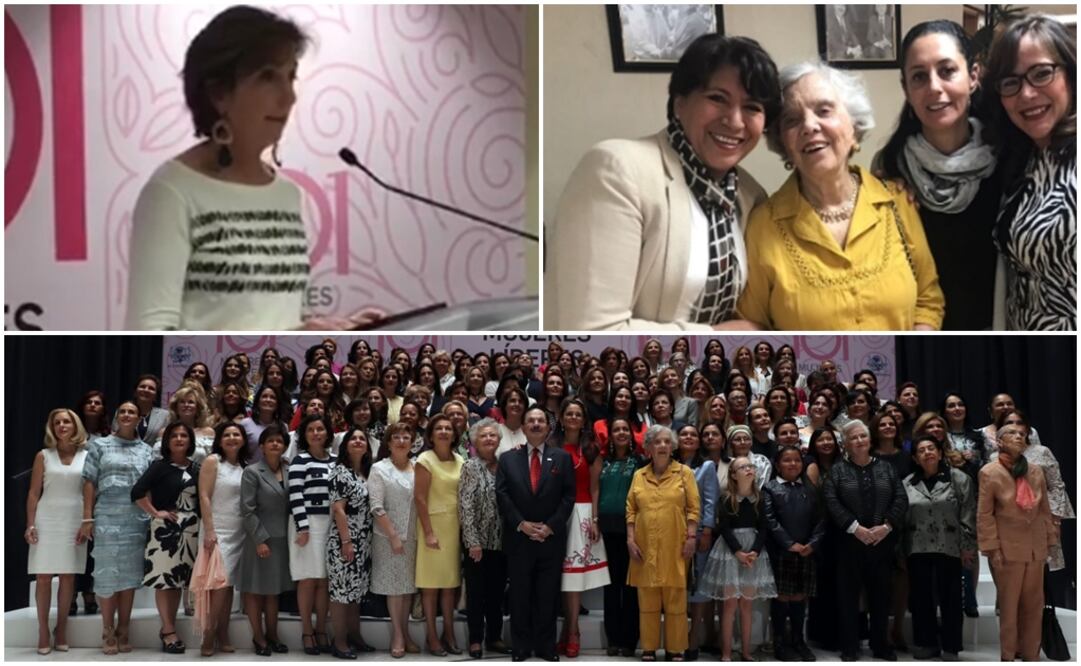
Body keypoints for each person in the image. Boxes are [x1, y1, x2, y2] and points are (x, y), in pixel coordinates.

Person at [125, 5, 382, 330]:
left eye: (291, 76)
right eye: (267, 77)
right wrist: (284, 344)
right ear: (219, 93)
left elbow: (276, 321)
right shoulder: (172, 192)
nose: (288, 97)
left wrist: (326, 329)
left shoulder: (286, 194)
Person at [546, 34, 780, 330]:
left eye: (752, 107)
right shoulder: (617, 171)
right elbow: (593, 333)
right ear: (680, 103)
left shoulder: (749, 195)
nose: (735, 121)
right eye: (717, 98)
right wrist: (717, 337)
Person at [739, 61, 945, 330]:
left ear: (854, 127)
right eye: (792, 119)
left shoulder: (897, 202)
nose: (809, 126)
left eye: (824, 110)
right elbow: (752, 326)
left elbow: (928, 299)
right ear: (784, 144)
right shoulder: (763, 225)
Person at [874, 20, 1000, 330]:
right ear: (906, 88)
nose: (934, 87)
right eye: (919, 76)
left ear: (973, 76)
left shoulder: (1008, 157)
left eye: (947, 71)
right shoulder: (888, 171)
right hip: (922, 334)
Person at [984, 15, 1076, 330]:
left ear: (1071, 75)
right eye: (1011, 82)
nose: (1026, 94)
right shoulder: (1020, 160)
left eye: (1041, 73)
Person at [495, 405, 576, 661]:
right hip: (519, 538)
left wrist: (550, 526)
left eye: (541, 420)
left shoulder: (561, 458)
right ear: (524, 427)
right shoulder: (508, 458)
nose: (536, 424)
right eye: (531, 421)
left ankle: (545, 647)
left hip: (550, 539)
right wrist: (521, 523)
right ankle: (521, 646)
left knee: (547, 596)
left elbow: (568, 496)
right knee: (519, 596)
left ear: (548, 427)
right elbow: (502, 494)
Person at [823, 420, 908, 661]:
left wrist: (886, 526)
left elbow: (900, 498)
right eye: (853, 438)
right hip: (848, 544)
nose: (859, 441)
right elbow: (832, 501)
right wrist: (856, 528)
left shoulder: (887, 468)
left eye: (863, 436)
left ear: (870, 440)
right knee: (848, 597)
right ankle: (850, 646)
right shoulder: (838, 470)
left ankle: (880, 644)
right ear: (846, 444)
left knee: (881, 597)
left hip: (882, 544)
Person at [79, 401, 154, 654]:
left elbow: (149, 488)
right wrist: (87, 518)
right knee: (107, 573)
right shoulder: (99, 444)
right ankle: (107, 628)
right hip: (107, 517)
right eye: (122, 411)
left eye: (132, 412)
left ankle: (124, 628)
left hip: (136, 518)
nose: (126, 415)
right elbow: (89, 481)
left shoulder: (147, 450)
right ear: (116, 417)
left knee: (129, 577)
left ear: (139, 418)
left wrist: (152, 516)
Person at [977, 424, 1057, 661]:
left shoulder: (1034, 471)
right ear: (999, 442)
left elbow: (1044, 510)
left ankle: (1031, 654)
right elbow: (985, 514)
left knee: (1034, 605)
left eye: (1022, 434)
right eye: (1012, 434)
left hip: (1035, 547)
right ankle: (1008, 655)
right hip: (1007, 548)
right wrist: (991, 548)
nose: (1019, 437)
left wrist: (1050, 540)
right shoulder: (990, 472)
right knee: (1009, 607)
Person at [626, 425, 701, 661]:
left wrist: (691, 537)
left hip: (675, 545)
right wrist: (630, 539)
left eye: (667, 442)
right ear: (648, 447)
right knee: (647, 598)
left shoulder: (684, 473)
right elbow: (631, 509)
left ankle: (675, 648)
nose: (662, 446)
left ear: (673, 447)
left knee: (675, 600)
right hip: (644, 545)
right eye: (657, 442)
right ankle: (648, 647)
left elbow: (694, 508)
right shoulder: (639, 475)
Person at [902, 436, 976, 661]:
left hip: (950, 546)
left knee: (951, 598)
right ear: (915, 457)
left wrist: (967, 547)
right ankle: (926, 643)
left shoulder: (959, 479)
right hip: (918, 547)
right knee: (921, 598)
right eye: (921, 450)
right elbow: (903, 519)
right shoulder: (908, 483)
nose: (927, 453)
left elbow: (968, 515)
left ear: (940, 452)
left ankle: (951, 647)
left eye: (931, 448)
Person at [131, 422, 201, 654]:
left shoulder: (197, 468)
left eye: (184, 435)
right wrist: (155, 512)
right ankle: (168, 630)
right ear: (167, 441)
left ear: (190, 441)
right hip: (165, 531)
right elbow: (137, 493)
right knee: (165, 580)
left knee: (179, 581)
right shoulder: (159, 467)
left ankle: (169, 626)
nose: (179, 439)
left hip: (191, 531)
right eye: (174, 436)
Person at [699, 455, 776, 661]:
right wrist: (738, 552)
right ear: (733, 474)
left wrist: (755, 552)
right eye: (743, 467)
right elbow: (723, 527)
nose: (749, 469)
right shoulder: (726, 498)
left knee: (747, 605)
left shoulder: (760, 498)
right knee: (730, 604)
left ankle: (746, 651)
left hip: (753, 552)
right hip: (730, 550)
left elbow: (764, 528)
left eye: (750, 466)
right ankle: (726, 652)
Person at [26, 408, 90, 655]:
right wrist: (30, 524)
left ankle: (61, 629)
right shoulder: (43, 455)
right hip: (46, 518)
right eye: (57, 422)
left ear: (75, 426)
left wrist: (87, 520)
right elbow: (33, 493)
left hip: (75, 518)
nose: (62, 425)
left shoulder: (87, 455)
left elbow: (88, 491)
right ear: (52, 427)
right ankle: (43, 630)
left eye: (67, 421)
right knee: (43, 577)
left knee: (68, 576)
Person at [553, 399, 610, 658]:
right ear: (562, 418)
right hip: (555, 515)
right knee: (562, 577)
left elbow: (596, 487)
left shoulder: (590, 448)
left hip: (583, 512)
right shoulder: (551, 445)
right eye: (569, 413)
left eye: (578, 414)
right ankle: (567, 628)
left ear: (583, 419)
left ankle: (573, 631)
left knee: (573, 578)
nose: (574, 417)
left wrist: (595, 519)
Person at [763, 446, 824, 661]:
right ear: (778, 465)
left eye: (797, 460)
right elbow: (770, 520)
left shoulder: (811, 489)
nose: (792, 464)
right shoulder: (770, 488)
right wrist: (789, 544)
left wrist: (812, 544)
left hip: (806, 551)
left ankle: (798, 640)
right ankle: (780, 642)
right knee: (782, 596)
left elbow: (820, 520)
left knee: (800, 596)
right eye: (787, 460)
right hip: (782, 552)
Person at [457, 418, 511, 658]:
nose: (489, 439)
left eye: (493, 436)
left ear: (499, 440)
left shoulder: (506, 466)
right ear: (475, 442)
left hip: (502, 542)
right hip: (477, 543)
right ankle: (476, 639)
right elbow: (465, 506)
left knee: (497, 593)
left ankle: (495, 637)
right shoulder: (470, 466)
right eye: (484, 436)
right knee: (476, 593)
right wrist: (472, 541)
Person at [237, 424, 293, 656]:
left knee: (274, 591)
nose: (275, 444)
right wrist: (260, 539)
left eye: (279, 441)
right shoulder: (252, 471)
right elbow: (247, 510)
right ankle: (258, 637)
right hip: (259, 539)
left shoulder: (290, 468)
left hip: (283, 540)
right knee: (254, 590)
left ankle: (272, 635)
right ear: (261, 446)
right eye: (270, 441)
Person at [194, 421, 247, 656]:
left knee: (229, 586)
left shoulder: (245, 466)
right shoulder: (213, 461)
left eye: (237, 434)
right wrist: (210, 529)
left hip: (239, 532)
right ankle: (209, 633)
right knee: (219, 584)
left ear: (243, 440)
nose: (232, 438)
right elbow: (204, 496)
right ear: (220, 439)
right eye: (227, 434)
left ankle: (224, 632)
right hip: (217, 530)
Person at [414, 414, 465, 656]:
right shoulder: (425, 459)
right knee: (431, 586)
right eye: (439, 428)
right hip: (432, 528)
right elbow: (420, 499)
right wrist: (429, 533)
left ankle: (450, 633)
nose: (444, 431)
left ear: (454, 435)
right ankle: (432, 637)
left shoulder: (460, 460)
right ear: (432, 435)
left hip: (453, 527)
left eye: (448, 428)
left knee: (450, 585)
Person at [368, 422, 420, 658]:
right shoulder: (379, 468)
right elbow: (376, 507)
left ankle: (407, 633)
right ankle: (397, 635)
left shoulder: (418, 467)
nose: (401, 441)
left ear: (412, 442)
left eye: (406, 437)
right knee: (394, 590)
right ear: (388, 443)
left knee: (408, 588)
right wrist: (393, 536)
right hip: (388, 537)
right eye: (396, 437)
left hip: (414, 535)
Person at [287, 414, 336, 655]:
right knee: (307, 579)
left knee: (324, 581)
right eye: (311, 430)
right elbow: (295, 495)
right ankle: (307, 631)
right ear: (304, 435)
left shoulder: (337, 461)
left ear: (328, 433)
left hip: (330, 526)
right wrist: (303, 526)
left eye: (320, 429)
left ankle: (321, 629)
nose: (316, 433)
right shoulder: (299, 460)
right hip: (306, 526)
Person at [326, 427, 374, 659]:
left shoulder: (366, 472)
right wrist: (346, 541)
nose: (357, 442)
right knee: (341, 593)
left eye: (361, 439)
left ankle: (355, 636)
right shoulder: (340, 472)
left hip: (364, 542)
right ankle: (340, 641)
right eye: (352, 438)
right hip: (344, 540)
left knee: (355, 593)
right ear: (345, 445)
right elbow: (338, 510)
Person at [598, 417, 644, 657]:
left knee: (630, 586)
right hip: (606, 530)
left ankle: (629, 640)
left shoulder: (640, 463)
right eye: (616, 429)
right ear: (610, 435)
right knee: (611, 586)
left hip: (632, 530)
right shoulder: (603, 461)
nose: (621, 433)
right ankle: (613, 639)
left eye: (625, 429)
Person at [676, 424, 719, 661]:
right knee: (678, 586)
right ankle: (678, 636)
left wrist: (707, 531)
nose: (689, 437)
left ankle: (693, 639)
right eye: (684, 434)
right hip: (672, 532)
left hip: (699, 532)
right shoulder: (669, 464)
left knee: (699, 585)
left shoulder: (706, 466)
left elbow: (711, 500)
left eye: (693, 434)